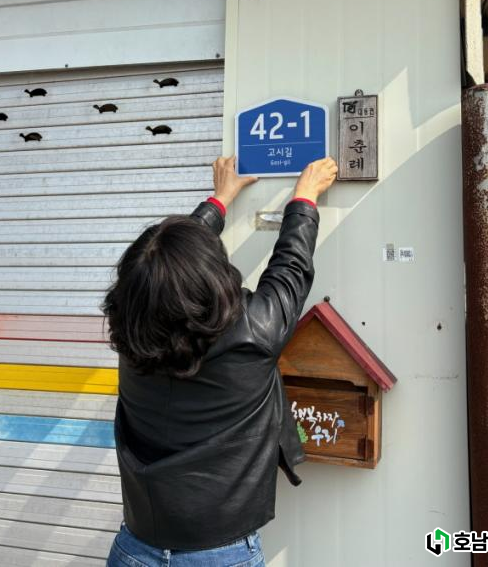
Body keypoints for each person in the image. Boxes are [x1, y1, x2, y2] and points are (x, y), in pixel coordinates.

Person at [102, 155, 338, 567]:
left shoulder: (131, 335)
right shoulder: (255, 330)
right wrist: (304, 198)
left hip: (135, 548)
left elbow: (166, 267)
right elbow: (290, 269)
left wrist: (219, 201)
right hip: (220, 556)